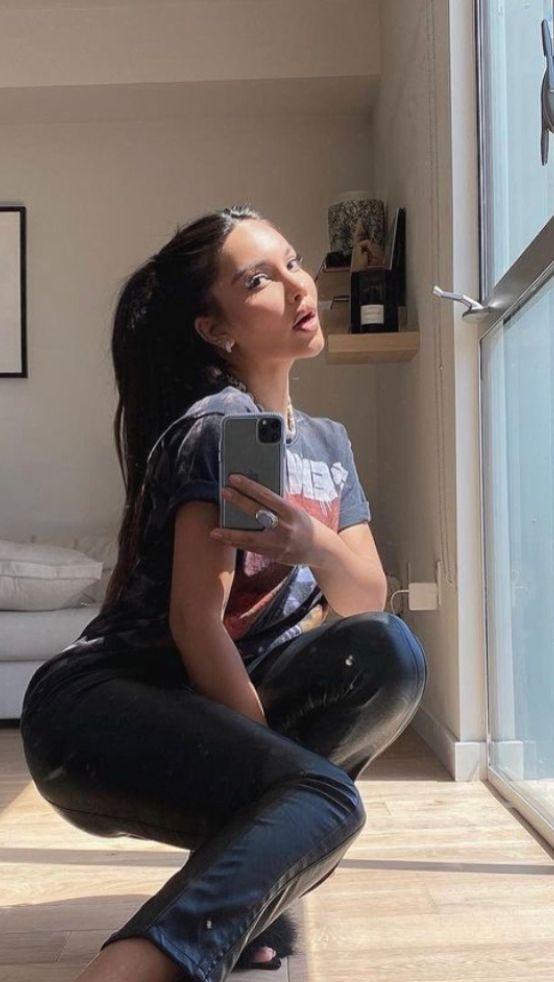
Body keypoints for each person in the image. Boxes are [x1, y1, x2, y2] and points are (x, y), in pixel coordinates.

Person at [20, 205, 428, 982]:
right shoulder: (224, 426)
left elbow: (367, 598)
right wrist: (276, 775)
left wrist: (312, 543)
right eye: (258, 281)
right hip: (99, 712)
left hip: (211, 701)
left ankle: (249, 883)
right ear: (217, 330)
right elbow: (194, 621)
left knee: (389, 653)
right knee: (325, 802)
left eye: (294, 262)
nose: (299, 286)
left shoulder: (327, 442)